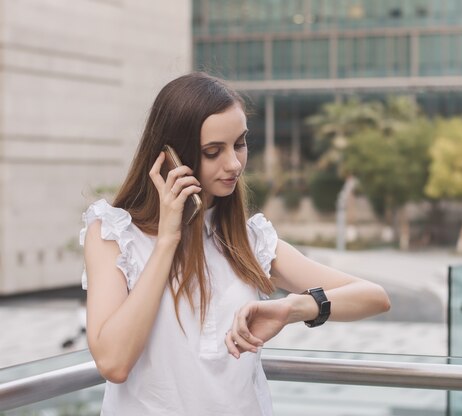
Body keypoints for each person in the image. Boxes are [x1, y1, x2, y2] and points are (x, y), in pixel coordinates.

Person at [80, 72, 391, 416]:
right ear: (170, 157)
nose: (233, 164)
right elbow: (114, 362)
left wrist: (293, 309)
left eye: (239, 144)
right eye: (213, 151)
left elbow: (374, 297)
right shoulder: (114, 234)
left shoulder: (250, 241)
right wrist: (169, 238)